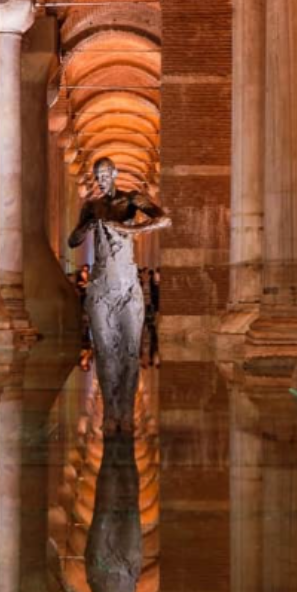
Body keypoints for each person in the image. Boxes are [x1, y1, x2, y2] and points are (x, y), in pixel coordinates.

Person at [68, 158, 170, 434]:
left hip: (127, 288)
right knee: (104, 352)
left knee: (128, 353)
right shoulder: (91, 206)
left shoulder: (131, 200)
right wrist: (87, 226)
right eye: (97, 175)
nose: (100, 179)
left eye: (104, 174)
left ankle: (126, 412)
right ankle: (110, 412)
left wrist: (131, 230)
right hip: (100, 287)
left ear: (114, 174)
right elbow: (72, 241)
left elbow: (164, 219)